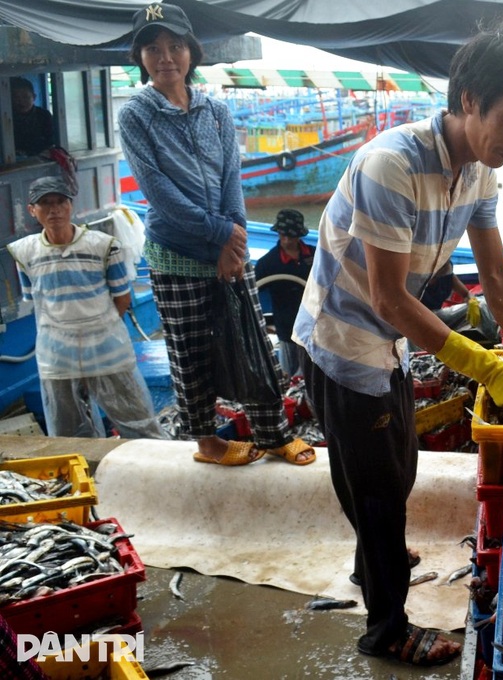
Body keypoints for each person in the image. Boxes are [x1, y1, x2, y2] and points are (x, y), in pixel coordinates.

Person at [294, 15, 503, 667]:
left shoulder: (478, 172)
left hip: (392, 340)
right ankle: (386, 628)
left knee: (398, 468)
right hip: (343, 339)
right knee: (378, 488)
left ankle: (371, 559)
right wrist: (484, 365)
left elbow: (496, 273)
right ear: (469, 100)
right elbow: (388, 297)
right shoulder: (391, 164)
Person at [118, 3, 314, 466]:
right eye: (153, 49)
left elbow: (231, 179)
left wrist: (236, 239)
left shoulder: (217, 111)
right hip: (176, 254)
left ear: (192, 51)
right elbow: (157, 191)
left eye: (175, 46)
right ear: (140, 57)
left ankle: (274, 434)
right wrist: (223, 235)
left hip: (229, 249)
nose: (166, 57)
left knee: (252, 341)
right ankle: (208, 443)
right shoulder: (135, 115)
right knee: (190, 352)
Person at [7, 176, 165, 440]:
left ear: (71, 206)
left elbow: (122, 298)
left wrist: (99, 331)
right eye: (45, 203)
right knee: (69, 433)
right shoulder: (23, 252)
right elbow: (36, 300)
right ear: (32, 210)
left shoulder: (104, 246)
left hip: (107, 350)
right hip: (57, 356)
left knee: (139, 424)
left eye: (60, 202)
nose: (54, 209)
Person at [254, 209, 316, 378]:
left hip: (314, 323)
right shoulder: (268, 263)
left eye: (291, 236)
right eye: (283, 235)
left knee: (314, 370)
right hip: (287, 326)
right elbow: (253, 293)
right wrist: (262, 325)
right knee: (289, 374)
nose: (287, 240)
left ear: (299, 235)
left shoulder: (315, 254)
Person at [10, 76, 54, 158]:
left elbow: (51, 141)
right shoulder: (7, 118)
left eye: (25, 97)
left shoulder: (44, 115)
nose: (21, 102)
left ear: (34, 97)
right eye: (16, 97)